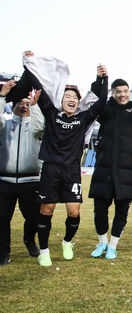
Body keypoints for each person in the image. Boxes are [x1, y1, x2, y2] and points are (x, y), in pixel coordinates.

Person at [23, 61, 108, 266]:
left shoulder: (83, 119)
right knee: (47, 210)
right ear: (60, 100)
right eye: (67, 97)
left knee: (74, 212)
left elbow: (101, 101)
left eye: (74, 98)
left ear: (79, 102)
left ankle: (67, 241)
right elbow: (39, 89)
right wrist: (28, 65)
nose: (71, 100)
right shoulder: (51, 114)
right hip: (51, 169)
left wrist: (103, 78)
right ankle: (44, 251)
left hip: (71, 171)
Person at [89, 78, 132, 260]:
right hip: (104, 169)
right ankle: (102, 242)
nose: (122, 94)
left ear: (130, 92)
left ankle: (113, 246)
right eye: (118, 91)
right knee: (100, 210)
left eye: (125, 91)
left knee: (122, 212)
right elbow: (96, 98)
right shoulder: (106, 109)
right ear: (112, 93)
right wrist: (101, 79)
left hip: (127, 171)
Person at [0, 80, 43, 265]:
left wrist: (35, 106)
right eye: (21, 103)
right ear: (14, 105)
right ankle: (3, 252)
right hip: (5, 180)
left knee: (34, 217)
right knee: (2, 220)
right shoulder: (5, 125)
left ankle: (28, 239)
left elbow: (41, 125)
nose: (24, 106)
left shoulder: (34, 126)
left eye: (27, 103)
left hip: (31, 180)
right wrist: (2, 95)